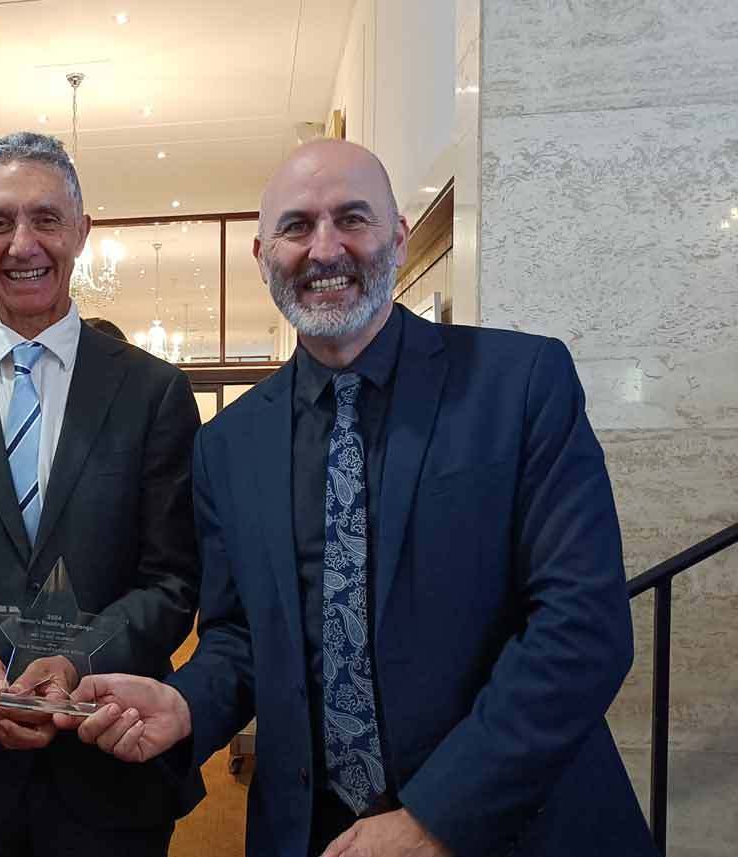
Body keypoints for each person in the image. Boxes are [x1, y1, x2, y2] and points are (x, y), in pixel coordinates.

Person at [64, 139, 655, 857]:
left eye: (352, 218)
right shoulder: (230, 444)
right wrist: (187, 702)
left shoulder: (520, 384)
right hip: (313, 835)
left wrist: (435, 817)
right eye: (296, 227)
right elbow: (240, 637)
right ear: (260, 255)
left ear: (399, 237)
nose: (324, 249)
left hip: (516, 828)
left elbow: (582, 629)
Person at [0, 131, 203, 857]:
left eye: (46, 219)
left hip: (109, 773)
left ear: (82, 232)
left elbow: (173, 577)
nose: (22, 243)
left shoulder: (154, 393)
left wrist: (76, 662)